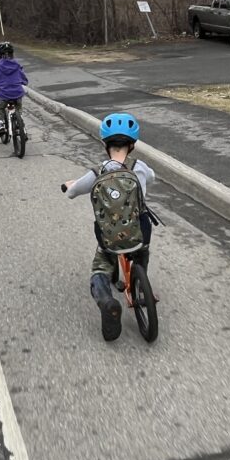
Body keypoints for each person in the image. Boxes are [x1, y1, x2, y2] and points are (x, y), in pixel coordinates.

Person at [61, 113, 156, 342]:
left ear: (105, 144)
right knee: (142, 248)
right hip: (138, 232)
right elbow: (151, 178)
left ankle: (107, 302)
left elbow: (73, 192)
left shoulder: (97, 172)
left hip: (109, 236)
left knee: (100, 267)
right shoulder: (140, 167)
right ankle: (140, 283)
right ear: (132, 145)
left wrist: (69, 185)